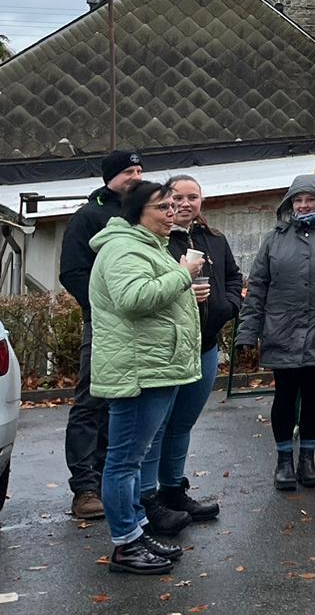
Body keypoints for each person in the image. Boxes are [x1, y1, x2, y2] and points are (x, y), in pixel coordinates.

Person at [87, 179, 203, 574]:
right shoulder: (123, 248)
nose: (173, 213)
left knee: (132, 461)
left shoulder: (146, 246)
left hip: (155, 367)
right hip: (138, 372)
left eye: (174, 206)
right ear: (139, 212)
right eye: (164, 208)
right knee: (124, 462)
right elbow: (134, 300)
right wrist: (183, 274)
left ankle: (135, 531)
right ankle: (125, 545)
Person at [235, 175, 315, 492]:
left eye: (310, 199)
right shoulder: (275, 237)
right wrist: (247, 333)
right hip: (282, 329)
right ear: (289, 204)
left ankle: (307, 458)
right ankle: (283, 462)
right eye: (297, 200)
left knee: (313, 393)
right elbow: (258, 286)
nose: (303, 206)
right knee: (284, 394)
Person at [144, 175, 241, 531]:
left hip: (206, 344)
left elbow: (233, 277)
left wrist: (228, 306)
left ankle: (173, 490)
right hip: (168, 349)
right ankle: (147, 498)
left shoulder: (214, 239)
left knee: (182, 424)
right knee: (156, 426)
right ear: (166, 202)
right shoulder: (156, 242)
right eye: (177, 198)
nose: (185, 204)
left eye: (193, 197)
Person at [60, 148, 145, 520]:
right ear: (110, 177)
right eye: (129, 171)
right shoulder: (89, 216)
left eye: (140, 169)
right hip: (105, 324)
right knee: (92, 401)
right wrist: (102, 308)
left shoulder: (143, 213)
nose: (136, 176)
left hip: (141, 324)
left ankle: (119, 481)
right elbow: (72, 272)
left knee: (126, 401)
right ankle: (85, 488)